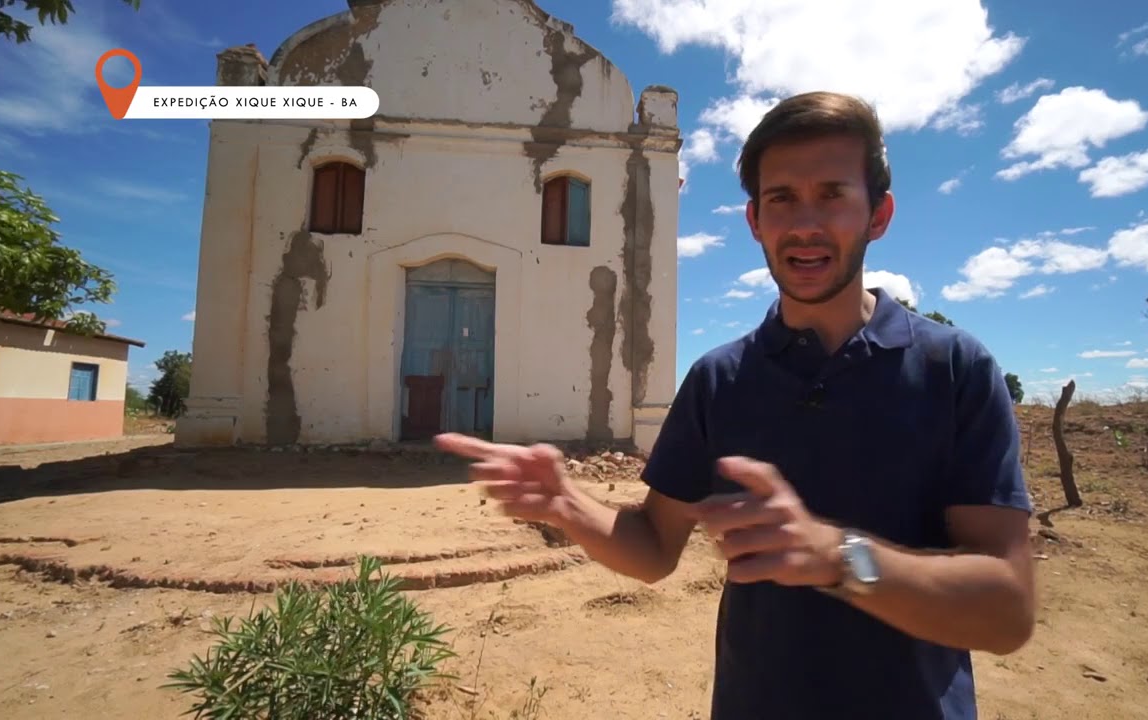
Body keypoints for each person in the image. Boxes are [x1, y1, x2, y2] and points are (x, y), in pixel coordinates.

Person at [436, 91, 1036, 719]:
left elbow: (1007, 611)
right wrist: (568, 504)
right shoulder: (720, 380)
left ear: (877, 215)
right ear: (754, 221)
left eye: (832, 193)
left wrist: (837, 557)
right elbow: (653, 547)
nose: (805, 223)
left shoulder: (954, 370)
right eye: (782, 199)